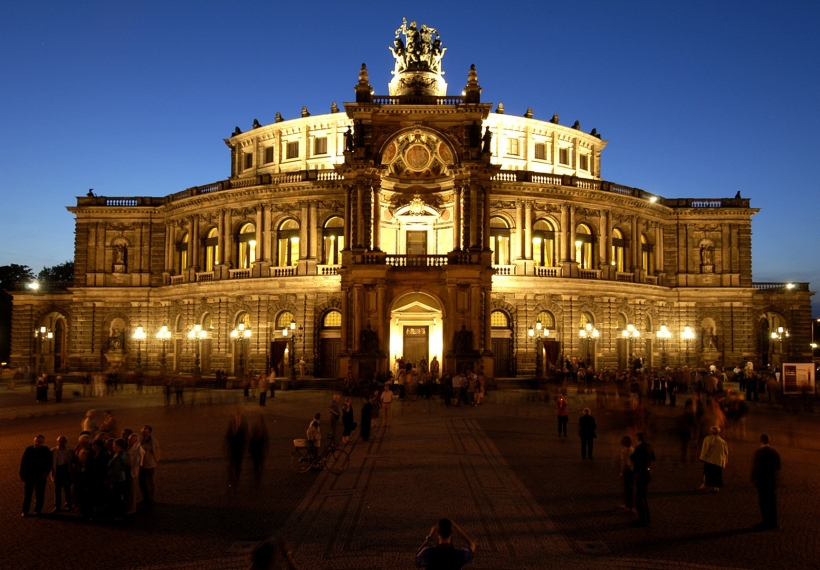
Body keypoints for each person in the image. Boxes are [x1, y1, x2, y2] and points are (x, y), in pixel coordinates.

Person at [751, 433, 781, 530]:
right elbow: (778, 467)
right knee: (772, 502)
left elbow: (756, 467)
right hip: (771, 480)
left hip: (763, 480)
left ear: (761, 441)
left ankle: (766, 522)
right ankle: (773, 522)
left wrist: (753, 478)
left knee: (764, 502)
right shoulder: (774, 452)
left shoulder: (759, 452)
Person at [20, 435, 52, 516]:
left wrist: (46, 472)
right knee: (27, 495)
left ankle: (38, 509)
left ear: (43, 442)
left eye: (39, 442)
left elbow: (49, 463)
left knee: (40, 494)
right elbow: (23, 462)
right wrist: (22, 474)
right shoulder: (29, 449)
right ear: (34, 441)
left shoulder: (46, 450)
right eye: (36, 441)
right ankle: (25, 511)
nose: (37, 443)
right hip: (29, 476)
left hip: (40, 476)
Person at [630, 432, 655, 526]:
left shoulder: (639, 448)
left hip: (641, 473)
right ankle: (647, 518)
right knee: (643, 496)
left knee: (639, 498)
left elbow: (632, 458)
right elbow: (653, 458)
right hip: (648, 473)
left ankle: (642, 520)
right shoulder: (649, 446)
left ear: (638, 439)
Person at [698, 426, 728, 492]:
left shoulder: (708, 439)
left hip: (710, 459)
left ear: (711, 431)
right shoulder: (723, 441)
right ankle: (716, 487)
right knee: (718, 474)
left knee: (706, 472)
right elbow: (725, 452)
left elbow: (705, 449)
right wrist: (725, 461)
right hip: (719, 461)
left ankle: (703, 485)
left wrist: (702, 457)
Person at [107, 438, 130, 519]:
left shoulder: (117, 458)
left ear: (119, 446)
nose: (113, 447)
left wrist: (112, 483)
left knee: (116, 497)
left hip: (117, 479)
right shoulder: (124, 453)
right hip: (122, 477)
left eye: (114, 445)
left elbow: (115, 471)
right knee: (119, 497)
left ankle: (117, 514)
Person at [226, 411, 249, 491]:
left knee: (237, 467)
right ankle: (231, 481)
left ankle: (236, 481)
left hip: (239, 452)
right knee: (231, 467)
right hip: (232, 451)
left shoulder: (241, 429)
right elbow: (227, 438)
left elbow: (244, 440)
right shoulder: (230, 429)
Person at [139, 425, 161, 506]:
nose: (143, 432)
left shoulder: (153, 441)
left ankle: (151, 499)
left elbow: (157, 452)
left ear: (149, 432)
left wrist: (154, 461)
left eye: (145, 431)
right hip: (142, 464)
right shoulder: (142, 440)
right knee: (143, 483)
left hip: (149, 465)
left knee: (150, 482)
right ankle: (145, 498)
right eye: (142, 430)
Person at [50, 435, 72, 512]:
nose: (60, 443)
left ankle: (68, 504)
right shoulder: (53, 451)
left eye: (62, 441)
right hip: (58, 471)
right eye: (59, 441)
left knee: (67, 489)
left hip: (65, 471)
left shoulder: (69, 451)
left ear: (66, 442)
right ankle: (57, 505)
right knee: (57, 490)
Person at [249, 416, 269, 488]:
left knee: (260, 465)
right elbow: (251, 440)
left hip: (260, 451)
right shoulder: (255, 429)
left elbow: (266, 440)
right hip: (255, 450)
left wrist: (265, 448)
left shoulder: (264, 431)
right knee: (256, 465)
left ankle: (258, 478)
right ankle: (256, 478)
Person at [126, 433, 143, 515]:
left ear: (135, 440)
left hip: (132, 473)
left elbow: (138, 463)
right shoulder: (131, 447)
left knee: (132, 491)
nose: (128, 441)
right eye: (128, 439)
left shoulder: (139, 450)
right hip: (128, 471)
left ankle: (132, 508)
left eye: (130, 439)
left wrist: (134, 473)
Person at [619, 435, 635, 512]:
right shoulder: (633, 449)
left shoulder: (623, 451)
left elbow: (624, 463)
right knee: (630, 487)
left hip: (627, 470)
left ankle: (629, 506)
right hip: (632, 470)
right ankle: (627, 504)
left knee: (627, 488)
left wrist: (621, 473)